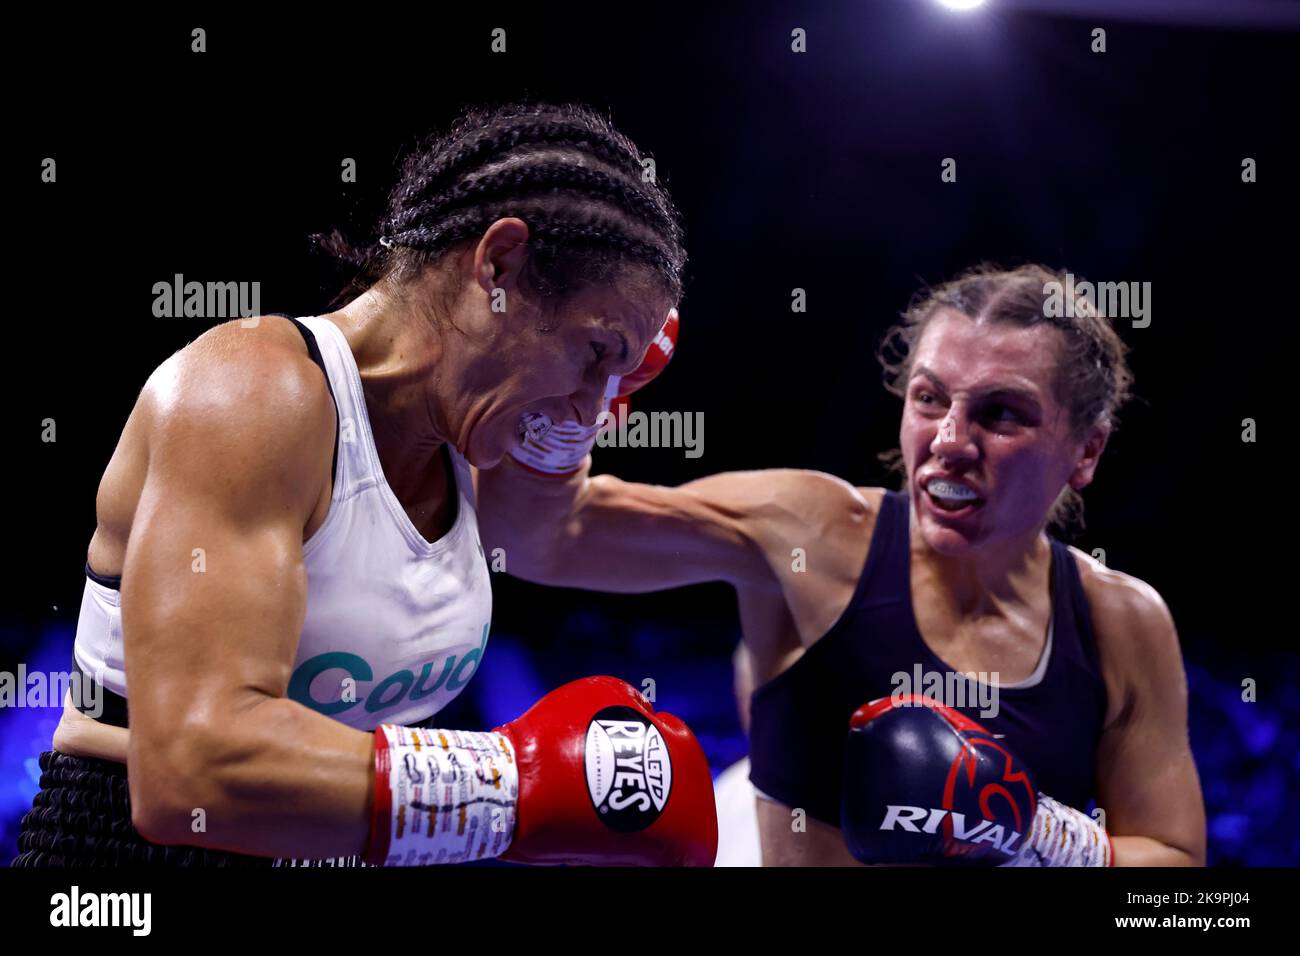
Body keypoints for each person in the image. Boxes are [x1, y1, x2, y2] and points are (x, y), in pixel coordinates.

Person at [13, 101, 718, 867]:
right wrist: (516, 786)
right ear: (501, 265)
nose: (600, 407)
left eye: (620, 378)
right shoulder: (252, 394)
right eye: (594, 351)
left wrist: (582, 409)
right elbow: (191, 772)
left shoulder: (473, 440)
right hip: (133, 861)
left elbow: (558, 536)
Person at [482, 263, 1207, 866]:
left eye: (1001, 413)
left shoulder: (1121, 620)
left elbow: (1176, 868)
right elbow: (545, 536)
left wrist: (1036, 831)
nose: (951, 439)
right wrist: (571, 404)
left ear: (1086, 451)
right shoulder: (816, 531)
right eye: (930, 398)